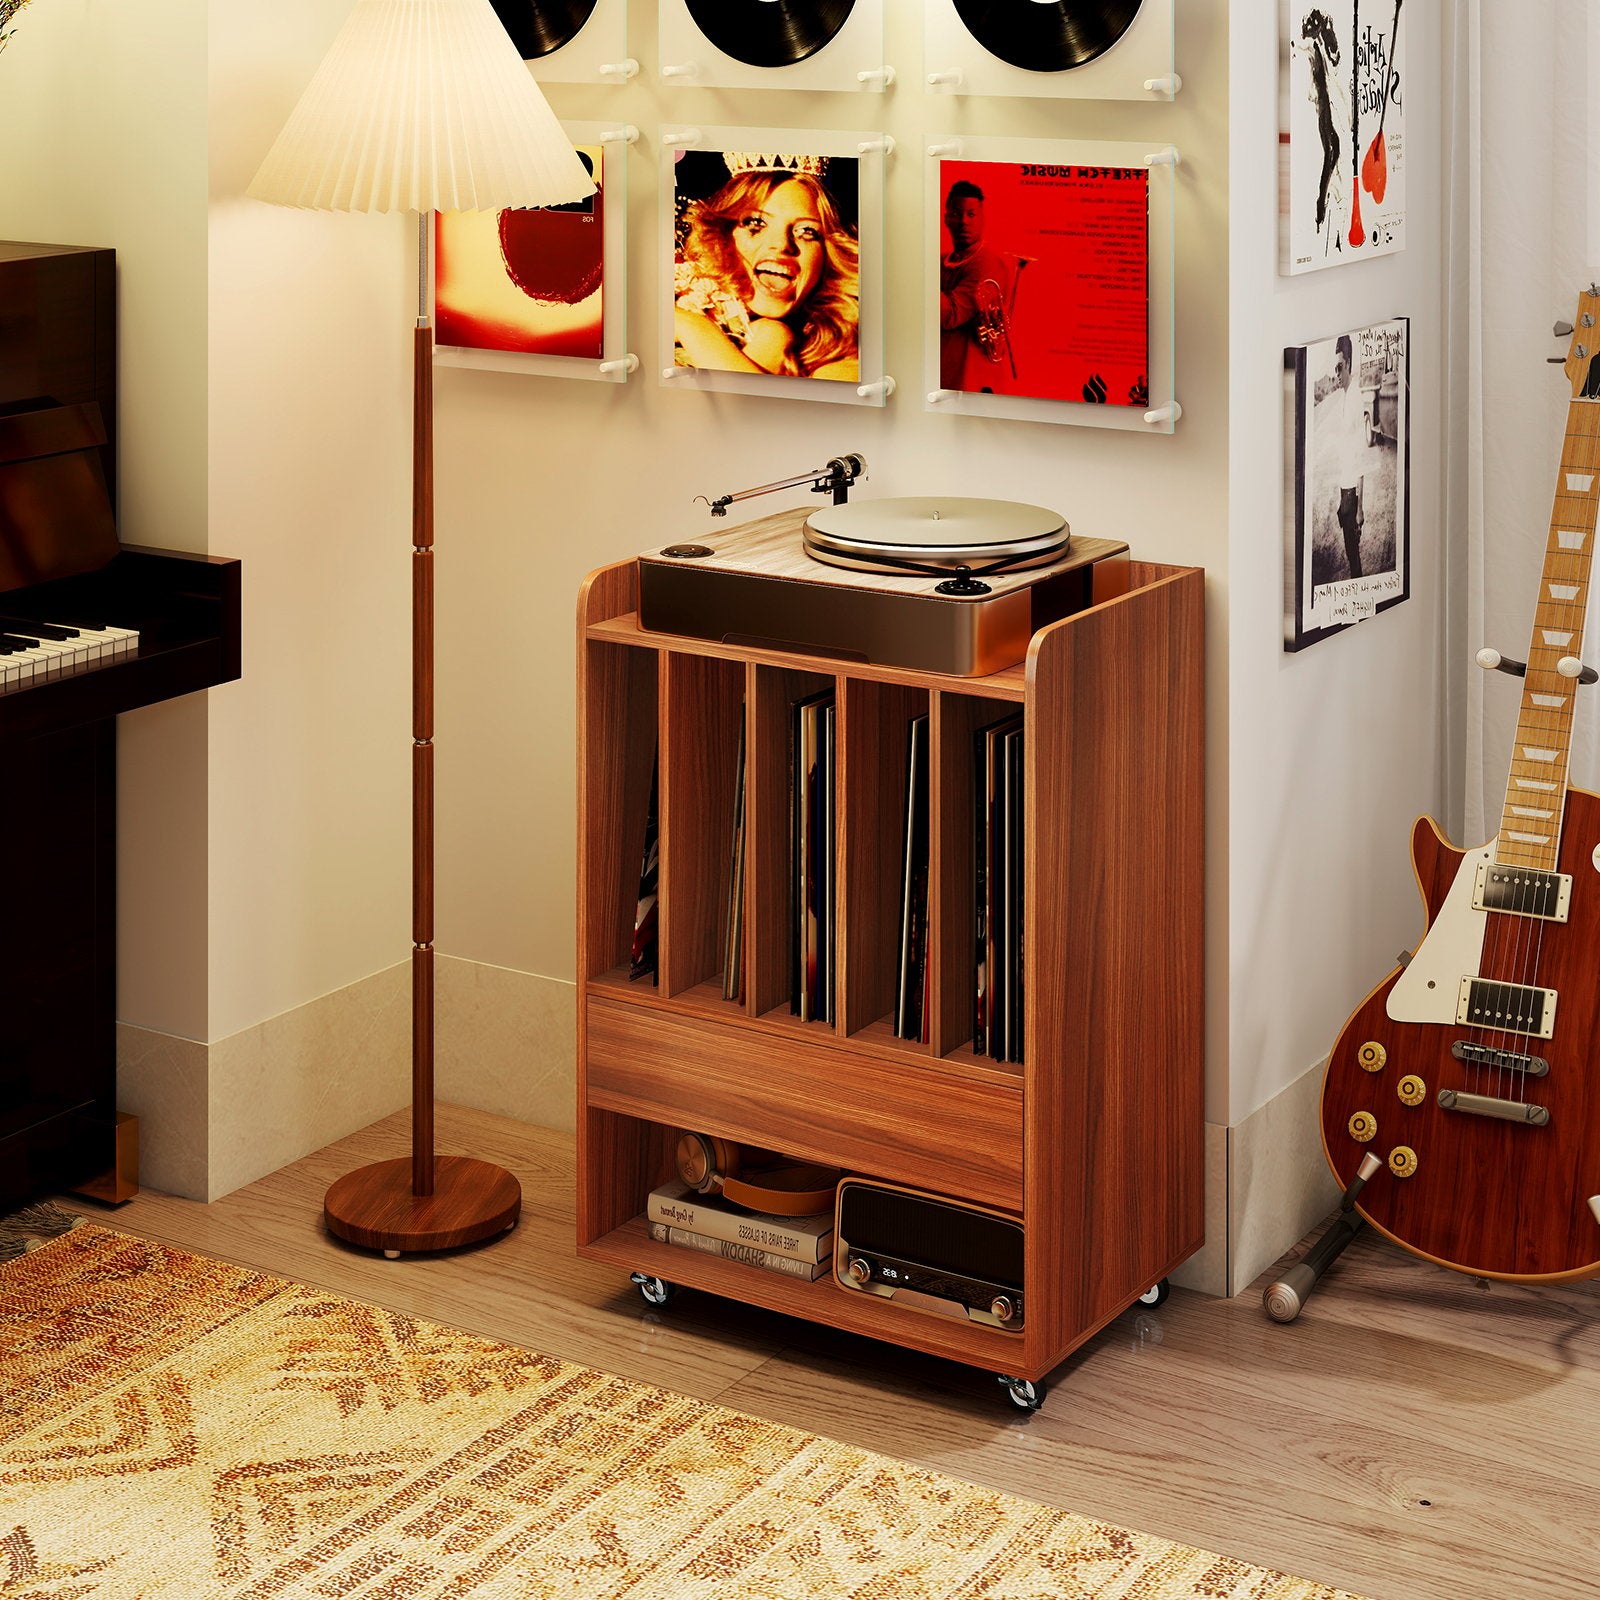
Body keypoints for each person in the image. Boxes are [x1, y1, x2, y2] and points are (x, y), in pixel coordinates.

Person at [674, 162, 860, 382]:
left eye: (806, 231)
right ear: (723, 238)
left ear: (827, 254)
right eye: (756, 223)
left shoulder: (845, 362)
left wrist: (687, 323)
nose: (781, 245)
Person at [939, 180, 1017, 391]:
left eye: (971, 214)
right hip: (945, 371)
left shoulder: (988, 261)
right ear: (946, 218)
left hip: (972, 378)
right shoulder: (943, 259)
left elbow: (951, 315)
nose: (964, 221)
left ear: (982, 219)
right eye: (957, 213)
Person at [1327, 333, 1370, 578]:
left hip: (1352, 494)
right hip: (1345, 491)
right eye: (1334, 368)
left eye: (1340, 367)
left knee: (1353, 555)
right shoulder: (1345, 396)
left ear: (1349, 365)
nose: (1336, 373)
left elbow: (1361, 458)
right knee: (1350, 550)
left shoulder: (1354, 399)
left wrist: (1359, 508)